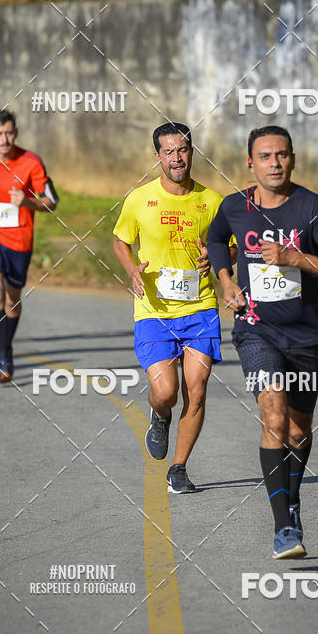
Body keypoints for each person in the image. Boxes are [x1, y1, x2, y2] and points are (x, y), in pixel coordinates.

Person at [207, 125, 318, 558]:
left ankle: (292, 499)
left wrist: (297, 258)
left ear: (293, 159)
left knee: (298, 429)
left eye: (282, 155)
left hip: (307, 336)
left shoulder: (316, 207)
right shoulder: (234, 206)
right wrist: (225, 279)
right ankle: (283, 528)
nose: (275, 163)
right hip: (255, 329)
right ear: (250, 163)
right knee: (273, 418)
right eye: (265, 156)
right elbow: (216, 238)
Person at [112, 121, 235, 494]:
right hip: (153, 310)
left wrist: (217, 259)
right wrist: (131, 267)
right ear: (157, 156)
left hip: (200, 307)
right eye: (168, 151)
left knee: (196, 391)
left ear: (192, 153)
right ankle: (160, 414)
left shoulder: (212, 202)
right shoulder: (139, 199)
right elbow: (120, 239)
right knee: (166, 391)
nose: (176, 158)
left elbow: (231, 246)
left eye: (182, 150)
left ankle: (178, 468)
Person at [0, 109, 58, 382]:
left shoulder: (31, 162)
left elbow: (52, 202)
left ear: (16, 133)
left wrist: (27, 201)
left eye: (8, 133)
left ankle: (5, 345)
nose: (4, 139)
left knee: (12, 300)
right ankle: (3, 358)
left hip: (20, 240)